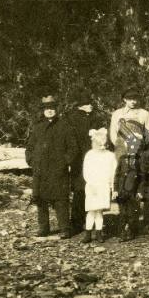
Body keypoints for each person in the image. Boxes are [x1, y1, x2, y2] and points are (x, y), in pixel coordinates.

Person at [26, 95, 78, 239]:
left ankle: (64, 228)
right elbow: (29, 147)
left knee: (61, 200)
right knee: (40, 200)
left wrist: (64, 162)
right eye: (46, 108)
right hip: (40, 170)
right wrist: (31, 160)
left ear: (56, 109)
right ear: (42, 111)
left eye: (52, 108)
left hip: (58, 170)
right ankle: (43, 228)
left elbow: (73, 148)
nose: (49, 111)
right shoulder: (37, 127)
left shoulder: (64, 126)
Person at [65, 91, 103, 233]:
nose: (91, 106)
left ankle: (89, 221)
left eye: (91, 103)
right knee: (80, 191)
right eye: (87, 104)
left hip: (91, 159)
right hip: (80, 160)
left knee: (89, 190)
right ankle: (78, 222)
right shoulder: (73, 119)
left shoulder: (94, 118)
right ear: (80, 106)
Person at [81, 128, 117, 244]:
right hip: (92, 185)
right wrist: (91, 184)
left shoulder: (110, 156)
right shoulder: (90, 155)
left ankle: (99, 233)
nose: (101, 145)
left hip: (104, 185)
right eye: (98, 143)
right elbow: (86, 171)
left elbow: (113, 172)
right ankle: (88, 233)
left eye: (103, 143)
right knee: (91, 210)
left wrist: (112, 186)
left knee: (100, 211)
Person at [114, 119, 146, 241]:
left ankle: (132, 231)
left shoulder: (139, 160)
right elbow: (117, 175)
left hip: (133, 191)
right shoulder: (122, 159)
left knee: (133, 212)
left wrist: (140, 191)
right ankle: (122, 232)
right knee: (122, 212)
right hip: (122, 190)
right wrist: (116, 189)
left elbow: (142, 178)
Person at [109, 89, 149, 157]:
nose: (133, 102)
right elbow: (113, 133)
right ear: (125, 99)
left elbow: (148, 134)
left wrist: (142, 147)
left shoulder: (144, 113)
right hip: (121, 150)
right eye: (130, 99)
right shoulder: (117, 114)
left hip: (138, 150)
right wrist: (119, 146)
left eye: (135, 99)